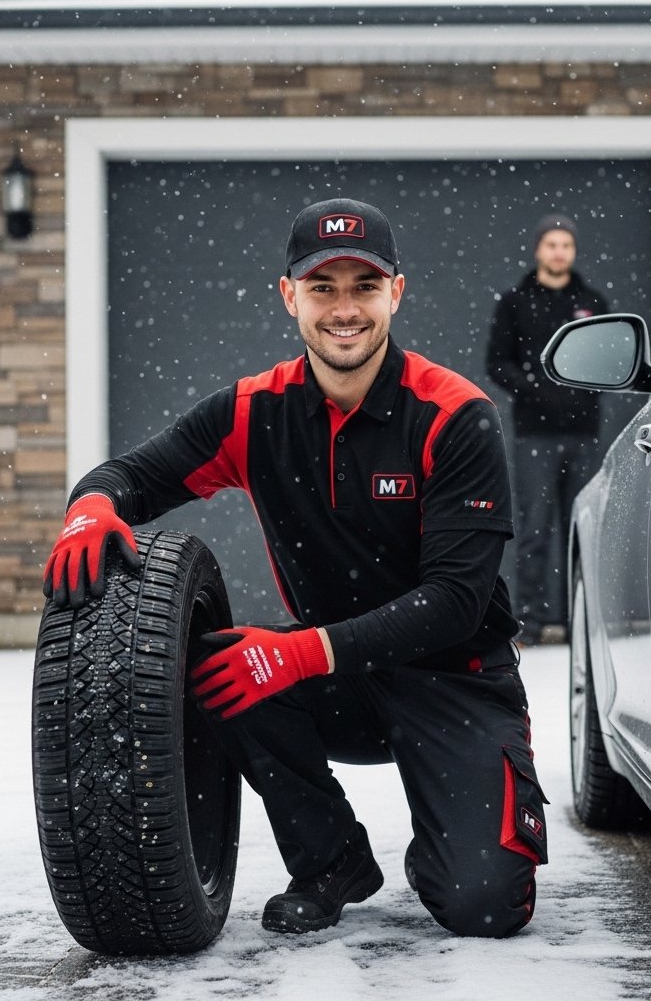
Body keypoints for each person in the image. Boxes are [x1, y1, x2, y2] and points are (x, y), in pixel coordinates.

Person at [43, 198, 548, 939]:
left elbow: (456, 602)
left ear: (396, 294)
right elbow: (131, 475)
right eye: (323, 287)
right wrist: (90, 509)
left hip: (457, 678)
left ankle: (452, 834)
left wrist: (300, 651)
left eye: (363, 286)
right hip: (336, 681)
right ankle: (331, 859)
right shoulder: (254, 413)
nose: (344, 309)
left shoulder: (453, 415)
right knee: (213, 665)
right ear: (290, 297)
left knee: (482, 905)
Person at [486, 213, 610, 647]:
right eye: (552, 244)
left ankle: (581, 621)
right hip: (534, 436)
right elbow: (496, 363)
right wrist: (534, 388)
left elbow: (609, 360)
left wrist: (581, 391)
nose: (559, 252)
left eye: (566, 245)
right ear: (539, 249)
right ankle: (531, 623)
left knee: (582, 529)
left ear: (574, 252)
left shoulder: (592, 303)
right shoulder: (515, 302)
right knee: (534, 530)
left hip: (583, 435)